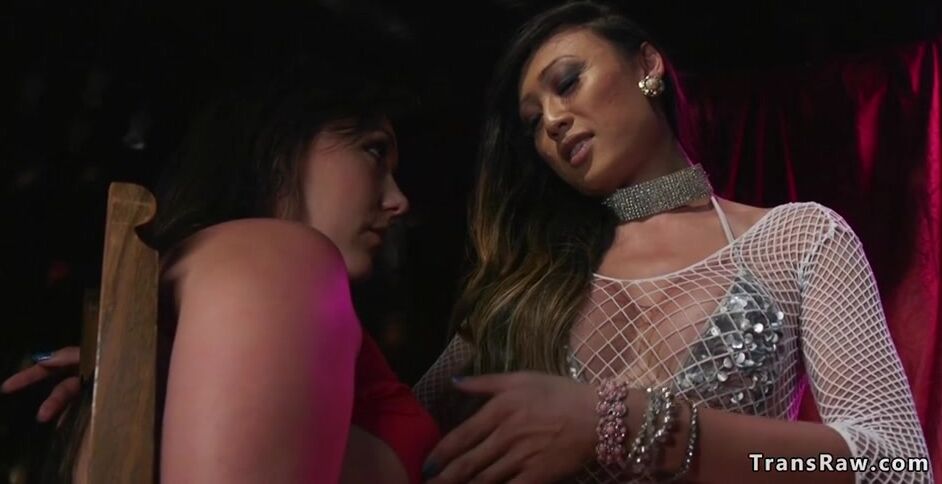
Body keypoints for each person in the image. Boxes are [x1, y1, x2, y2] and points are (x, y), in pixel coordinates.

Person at [413, 2, 933, 483]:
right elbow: (400, 437)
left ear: (648, 66)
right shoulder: (530, 283)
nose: (552, 121)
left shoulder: (794, 240)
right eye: (532, 122)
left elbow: (896, 464)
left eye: (568, 82)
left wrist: (630, 424)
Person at [3, 59, 439, 483]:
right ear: (279, 143)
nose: (399, 200)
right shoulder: (281, 257)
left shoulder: (193, 295)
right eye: (374, 150)